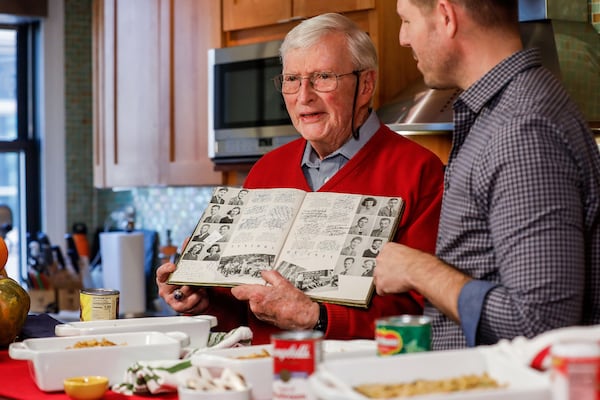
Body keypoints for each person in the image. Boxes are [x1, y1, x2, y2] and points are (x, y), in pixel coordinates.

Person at [156, 12, 445, 344]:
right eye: (292, 79)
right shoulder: (266, 170)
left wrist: (317, 317)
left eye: (323, 77)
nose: (304, 95)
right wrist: (201, 300)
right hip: (268, 376)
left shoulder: (420, 170)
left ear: (365, 85)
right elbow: (243, 311)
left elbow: (428, 317)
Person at [374, 0, 600, 350]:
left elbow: (541, 324)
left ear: (446, 17)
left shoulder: (522, 131)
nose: (403, 39)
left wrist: (417, 269)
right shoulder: (503, 114)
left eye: (406, 21)